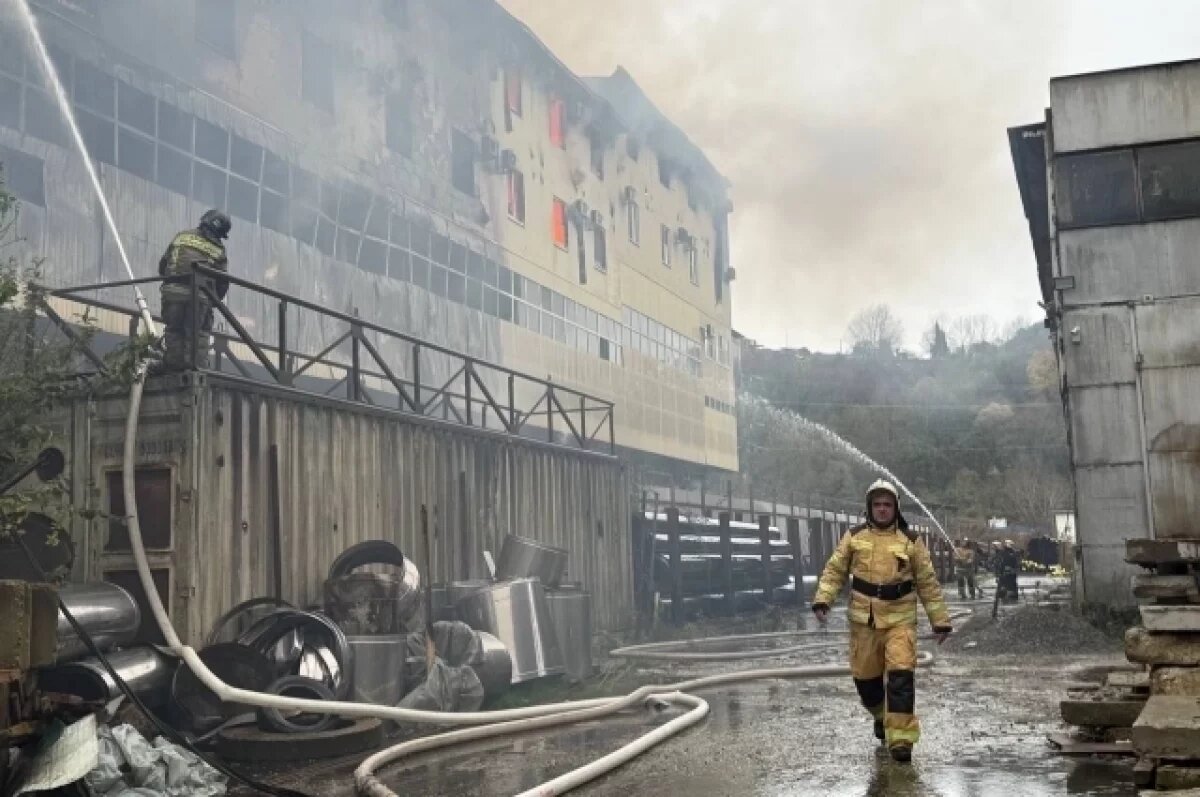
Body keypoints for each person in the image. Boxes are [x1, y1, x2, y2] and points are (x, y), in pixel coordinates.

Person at [811, 479, 952, 764]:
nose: (883, 509)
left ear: (896, 507)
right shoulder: (853, 537)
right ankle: (880, 715)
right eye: (877, 504)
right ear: (869, 507)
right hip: (864, 622)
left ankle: (901, 741)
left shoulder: (911, 542)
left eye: (888, 504)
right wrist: (823, 599)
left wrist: (940, 620)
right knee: (866, 683)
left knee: (901, 678)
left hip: (900, 622)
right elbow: (834, 570)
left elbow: (927, 583)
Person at [158, 209, 231, 369]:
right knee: (199, 333)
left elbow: (163, 265)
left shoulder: (181, 236)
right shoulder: (218, 250)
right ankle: (196, 368)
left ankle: (173, 367)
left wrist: (172, 281)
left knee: (174, 330)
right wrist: (213, 300)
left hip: (172, 293)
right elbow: (223, 282)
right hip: (200, 298)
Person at [1000, 540, 1021, 604]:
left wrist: (1015, 569)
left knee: (1012, 583)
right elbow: (1001, 562)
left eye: (1011, 544)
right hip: (1004, 570)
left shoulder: (1014, 553)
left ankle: (1013, 596)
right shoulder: (1003, 553)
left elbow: (1016, 562)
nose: (1010, 545)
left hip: (1012, 571)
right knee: (1004, 584)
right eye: (1009, 544)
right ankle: (1004, 596)